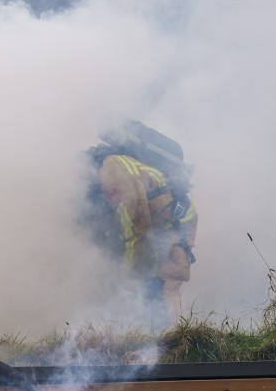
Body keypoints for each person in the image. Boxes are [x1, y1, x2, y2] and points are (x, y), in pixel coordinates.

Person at [82, 119, 198, 326]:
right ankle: (160, 337)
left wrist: (129, 274)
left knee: (165, 288)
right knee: (154, 289)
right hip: (170, 223)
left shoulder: (111, 167)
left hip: (174, 227)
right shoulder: (118, 165)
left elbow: (137, 220)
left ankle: (175, 344)